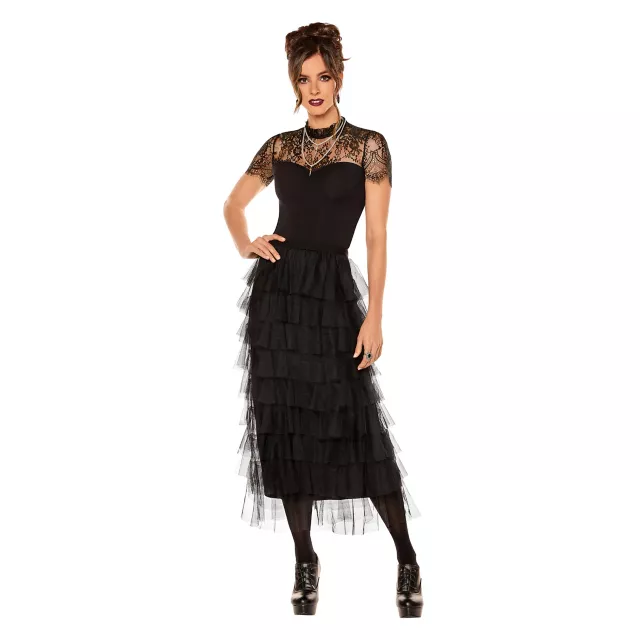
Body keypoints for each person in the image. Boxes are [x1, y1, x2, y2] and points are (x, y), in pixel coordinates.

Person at [224, 22, 423, 618]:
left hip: (333, 299)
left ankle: (407, 557)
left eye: (324, 77)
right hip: (278, 302)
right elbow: (232, 204)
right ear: (295, 83)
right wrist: (245, 242)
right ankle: (304, 560)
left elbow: (378, 238)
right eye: (304, 79)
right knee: (287, 429)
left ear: (339, 79)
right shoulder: (279, 147)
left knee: (359, 426)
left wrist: (376, 315)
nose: (314, 89)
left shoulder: (368, 146)